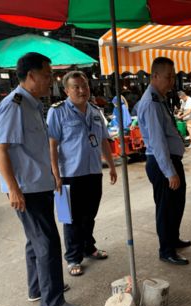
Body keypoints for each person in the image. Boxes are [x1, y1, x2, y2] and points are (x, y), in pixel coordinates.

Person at [0, 52, 83, 306]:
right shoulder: (14, 105)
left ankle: (38, 289)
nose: (50, 81)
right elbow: (0, 149)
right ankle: (52, 303)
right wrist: (14, 189)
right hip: (27, 190)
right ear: (30, 76)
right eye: (46, 75)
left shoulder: (31, 104)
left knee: (35, 243)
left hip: (37, 185)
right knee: (47, 243)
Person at [47, 71, 117, 277]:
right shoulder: (57, 112)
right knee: (71, 219)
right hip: (69, 175)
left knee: (90, 215)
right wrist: (56, 174)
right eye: (76, 87)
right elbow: (52, 145)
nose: (81, 90)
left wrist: (111, 165)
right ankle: (73, 257)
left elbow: (104, 139)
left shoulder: (95, 110)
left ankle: (88, 247)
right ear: (67, 90)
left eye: (84, 85)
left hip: (94, 172)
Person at [137, 57, 191, 266]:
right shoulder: (151, 103)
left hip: (170, 161)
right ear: (155, 76)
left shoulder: (159, 98)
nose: (171, 82)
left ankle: (173, 238)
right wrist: (169, 172)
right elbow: (158, 142)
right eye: (168, 77)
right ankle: (166, 250)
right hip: (161, 164)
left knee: (177, 204)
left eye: (173, 77)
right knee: (166, 207)